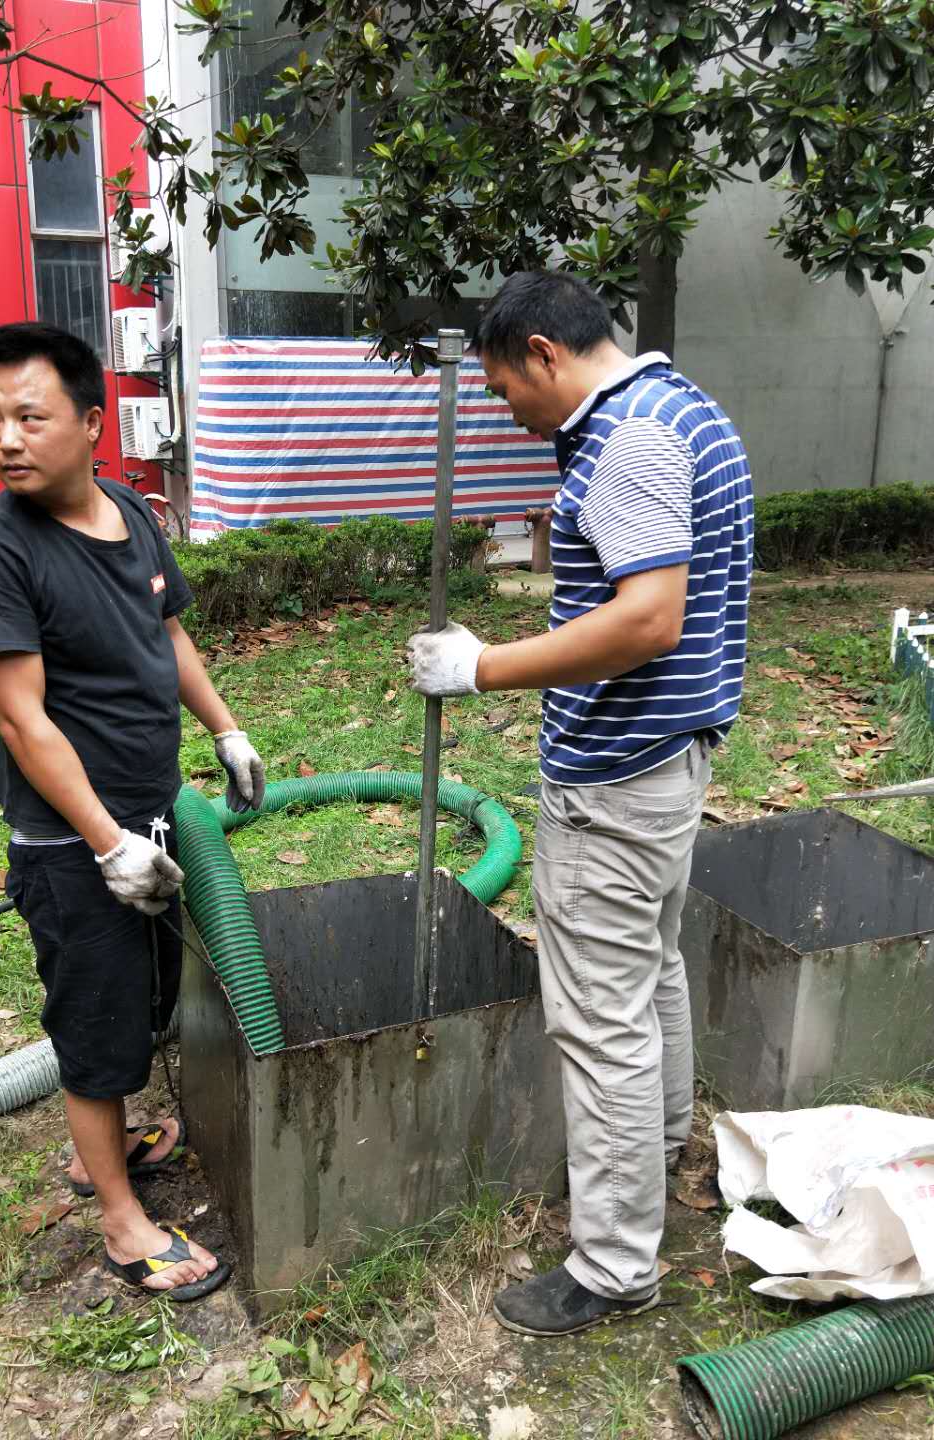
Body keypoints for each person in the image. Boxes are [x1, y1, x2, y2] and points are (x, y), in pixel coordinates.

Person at [407, 271, 753, 1337]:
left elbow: (649, 618)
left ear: (549, 355)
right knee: (648, 976)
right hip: (670, 764)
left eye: (510, 388)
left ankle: (612, 1266)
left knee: (600, 1021)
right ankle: (643, 1175)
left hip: (616, 780)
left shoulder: (630, 439)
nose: (510, 411)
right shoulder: (684, 406)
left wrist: (485, 668)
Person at [0, 322, 267, 1302]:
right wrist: (106, 842)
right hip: (71, 840)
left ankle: (107, 1145)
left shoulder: (129, 510)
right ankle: (123, 1224)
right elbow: (24, 720)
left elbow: (164, 637)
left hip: (149, 812)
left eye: (29, 417)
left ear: (90, 423)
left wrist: (224, 730)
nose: (5, 438)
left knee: (149, 1000)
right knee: (98, 1023)